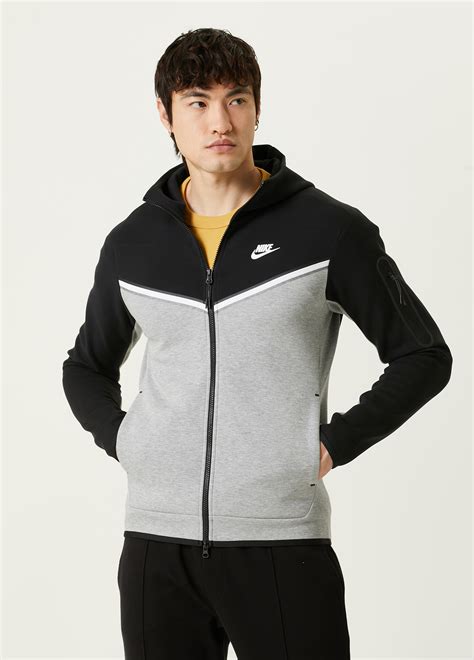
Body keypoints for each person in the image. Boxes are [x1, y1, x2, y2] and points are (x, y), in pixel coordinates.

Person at [62, 27, 453, 660]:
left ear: (257, 107)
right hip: (155, 548)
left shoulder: (328, 230)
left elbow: (424, 356)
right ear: (165, 114)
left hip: (282, 544)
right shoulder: (133, 242)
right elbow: (86, 366)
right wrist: (128, 441)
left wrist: (329, 447)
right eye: (197, 102)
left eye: (236, 99)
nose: (220, 121)